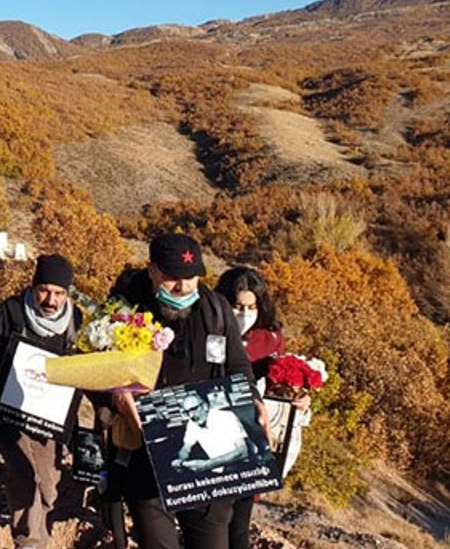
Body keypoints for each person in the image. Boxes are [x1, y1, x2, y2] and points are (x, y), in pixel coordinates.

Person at [110, 233, 267, 549]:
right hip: (145, 454)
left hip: (209, 459)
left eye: (191, 278)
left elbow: (238, 365)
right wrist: (118, 399)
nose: (183, 288)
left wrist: (254, 400)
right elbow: (100, 372)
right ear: (152, 270)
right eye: (172, 278)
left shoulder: (216, 309)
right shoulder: (122, 310)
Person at [0, 254, 80, 549]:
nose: (50, 299)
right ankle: (27, 541)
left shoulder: (76, 319)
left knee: (48, 482)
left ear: (67, 294)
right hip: (6, 413)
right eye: (44, 290)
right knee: (22, 475)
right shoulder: (9, 313)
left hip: (49, 417)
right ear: (33, 287)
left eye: (59, 293)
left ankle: (40, 536)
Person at [215, 266, 307, 549]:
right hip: (213, 429)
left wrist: (299, 396)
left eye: (250, 307)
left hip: (251, 432)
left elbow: (277, 380)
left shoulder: (270, 337)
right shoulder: (207, 327)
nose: (243, 313)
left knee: (240, 522)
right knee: (213, 519)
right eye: (236, 306)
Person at [170, 391, 255, 474]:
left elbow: (243, 452)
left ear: (205, 406)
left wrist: (207, 465)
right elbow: (186, 448)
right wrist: (180, 461)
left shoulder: (226, 417)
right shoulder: (192, 424)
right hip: (218, 470)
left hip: (242, 466)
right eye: (187, 412)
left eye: (194, 409)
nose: (191, 416)